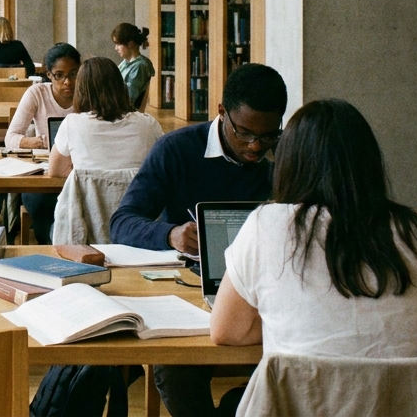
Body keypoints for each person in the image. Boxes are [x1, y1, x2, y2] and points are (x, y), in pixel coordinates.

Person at [210, 98, 417, 364]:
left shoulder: (266, 225)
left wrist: (291, 319)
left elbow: (227, 331)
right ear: (369, 161)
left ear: (290, 164)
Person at [109, 63, 287, 417]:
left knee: (284, 356)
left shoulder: (282, 158)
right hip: (188, 286)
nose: (255, 147)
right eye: (245, 133)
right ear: (221, 112)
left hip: (266, 288)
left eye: (268, 136)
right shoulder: (176, 150)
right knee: (176, 366)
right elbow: (122, 222)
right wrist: (170, 234)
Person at [48, 57, 163, 244]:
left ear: (81, 90)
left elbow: (55, 170)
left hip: (87, 231)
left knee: (52, 223)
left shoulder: (72, 123)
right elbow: (161, 168)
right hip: (140, 230)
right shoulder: (148, 124)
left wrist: (91, 175)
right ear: (120, 86)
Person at [8, 43, 81, 244]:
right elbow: (11, 136)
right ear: (49, 74)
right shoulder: (37, 93)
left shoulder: (87, 93)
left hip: (80, 171)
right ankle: (49, 244)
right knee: (40, 201)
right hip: (46, 172)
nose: (68, 82)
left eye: (73, 74)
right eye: (59, 75)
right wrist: (31, 141)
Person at [112, 23, 156, 109]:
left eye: (118, 44)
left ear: (130, 44)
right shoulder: (126, 62)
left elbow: (129, 98)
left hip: (124, 111)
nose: (116, 48)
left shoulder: (140, 66)